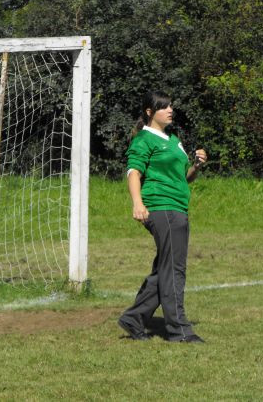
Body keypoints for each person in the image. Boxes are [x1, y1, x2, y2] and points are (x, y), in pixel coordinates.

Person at [118, 90, 207, 343]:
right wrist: (137, 203)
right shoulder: (144, 139)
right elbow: (133, 172)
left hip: (177, 207)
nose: (170, 110)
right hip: (162, 208)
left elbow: (183, 177)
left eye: (171, 106)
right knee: (174, 270)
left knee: (165, 268)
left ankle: (134, 318)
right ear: (149, 112)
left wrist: (197, 167)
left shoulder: (173, 139)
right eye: (164, 107)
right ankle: (179, 330)